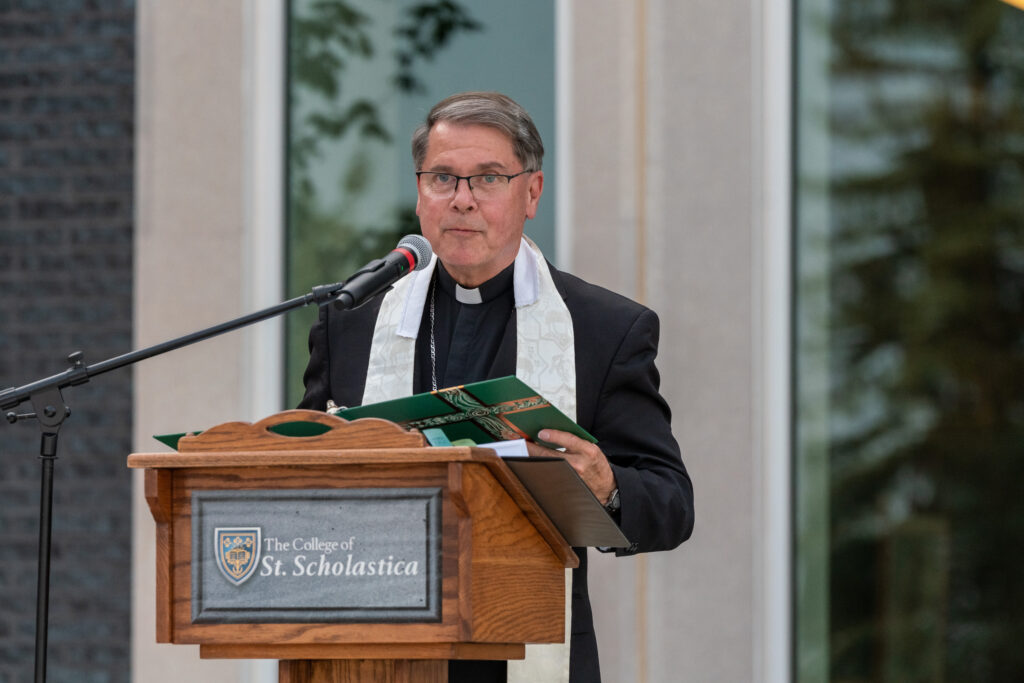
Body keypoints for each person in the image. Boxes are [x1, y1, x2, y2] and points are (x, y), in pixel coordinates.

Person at [299, 91, 694, 683]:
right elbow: (300, 472)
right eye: (442, 178)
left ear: (531, 193)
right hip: (376, 646)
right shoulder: (352, 321)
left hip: (524, 649)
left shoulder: (604, 330)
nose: (462, 199)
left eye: (487, 178)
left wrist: (606, 486)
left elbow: (672, 505)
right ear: (419, 192)